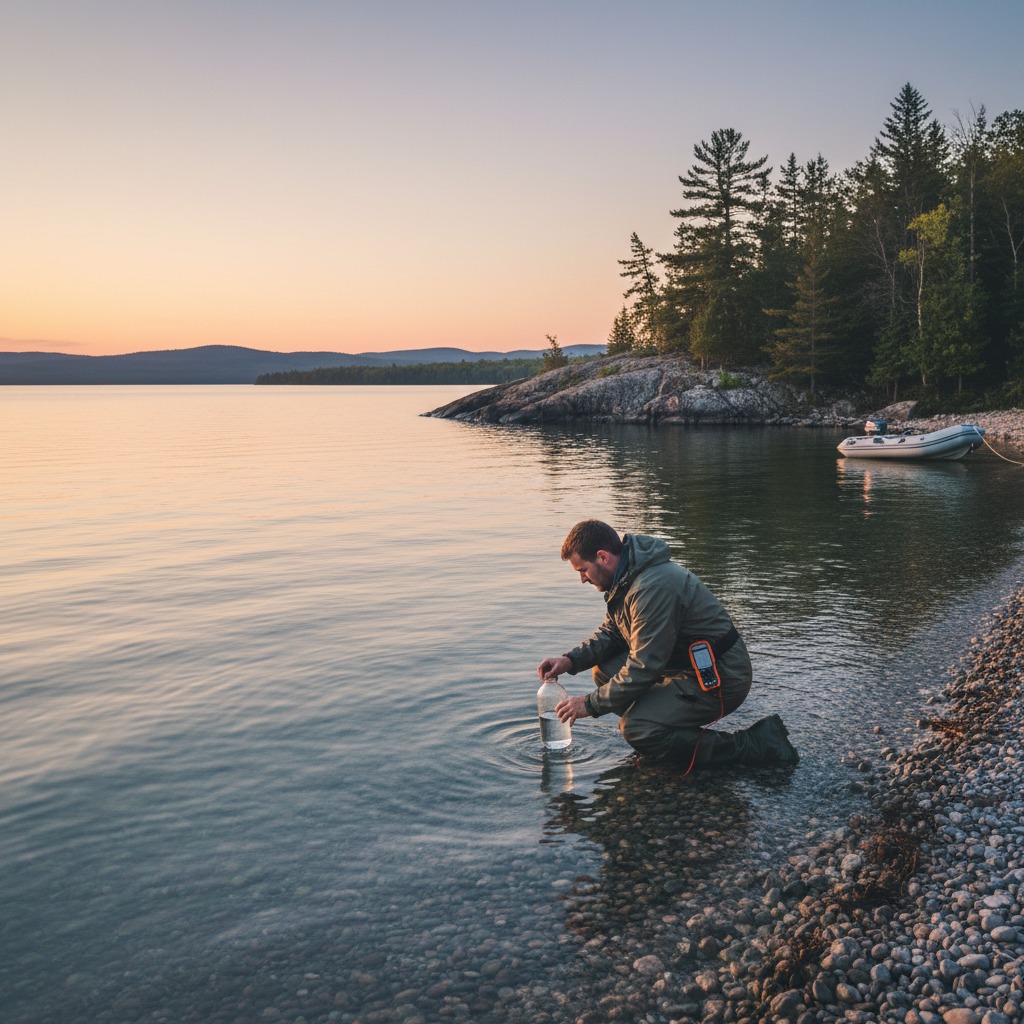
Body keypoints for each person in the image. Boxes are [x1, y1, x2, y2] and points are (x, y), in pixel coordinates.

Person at [537, 520, 798, 768]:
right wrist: (570, 660)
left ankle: (755, 745)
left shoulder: (652, 588)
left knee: (635, 728)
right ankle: (664, 732)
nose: (582, 579)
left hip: (720, 676)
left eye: (582, 570)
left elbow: (643, 667)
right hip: (684, 665)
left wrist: (589, 704)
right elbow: (614, 633)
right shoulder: (626, 577)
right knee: (604, 669)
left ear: (603, 557)